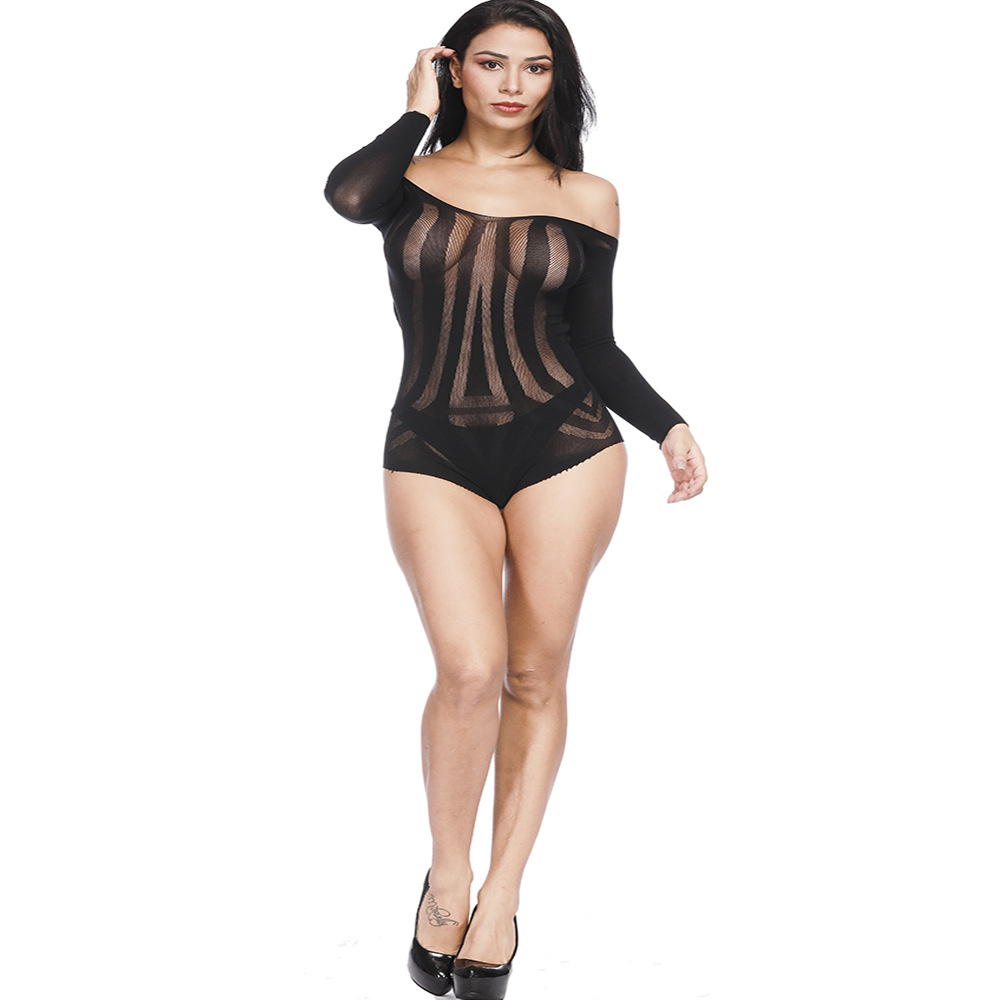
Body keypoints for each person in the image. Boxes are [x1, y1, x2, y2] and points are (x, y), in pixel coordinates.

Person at [323, 2, 707, 996]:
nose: (512, 85)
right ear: (454, 70)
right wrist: (415, 111)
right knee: (468, 668)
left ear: (555, 81)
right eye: (490, 64)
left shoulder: (588, 195)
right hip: (430, 444)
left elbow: (594, 343)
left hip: (566, 445)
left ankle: (499, 900)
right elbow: (345, 195)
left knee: (534, 675)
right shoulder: (403, 180)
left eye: (535, 68)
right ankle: (446, 876)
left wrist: (666, 423)